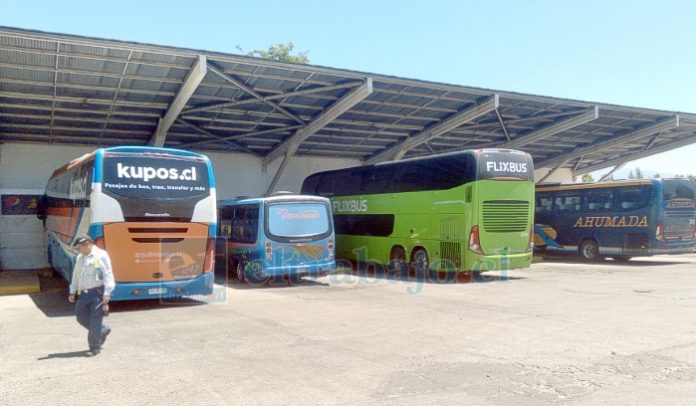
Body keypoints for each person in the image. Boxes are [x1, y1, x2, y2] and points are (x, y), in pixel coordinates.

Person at [68, 235, 115, 356]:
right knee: (80, 316)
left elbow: (108, 274)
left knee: (95, 320)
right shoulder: (80, 257)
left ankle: (94, 347)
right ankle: (102, 329)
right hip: (84, 293)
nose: (78, 251)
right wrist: (72, 291)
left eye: (79, 248)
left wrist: (107, 292)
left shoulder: (101, 255)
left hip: (97, 293)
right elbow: (76, 275)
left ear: (87, 244)